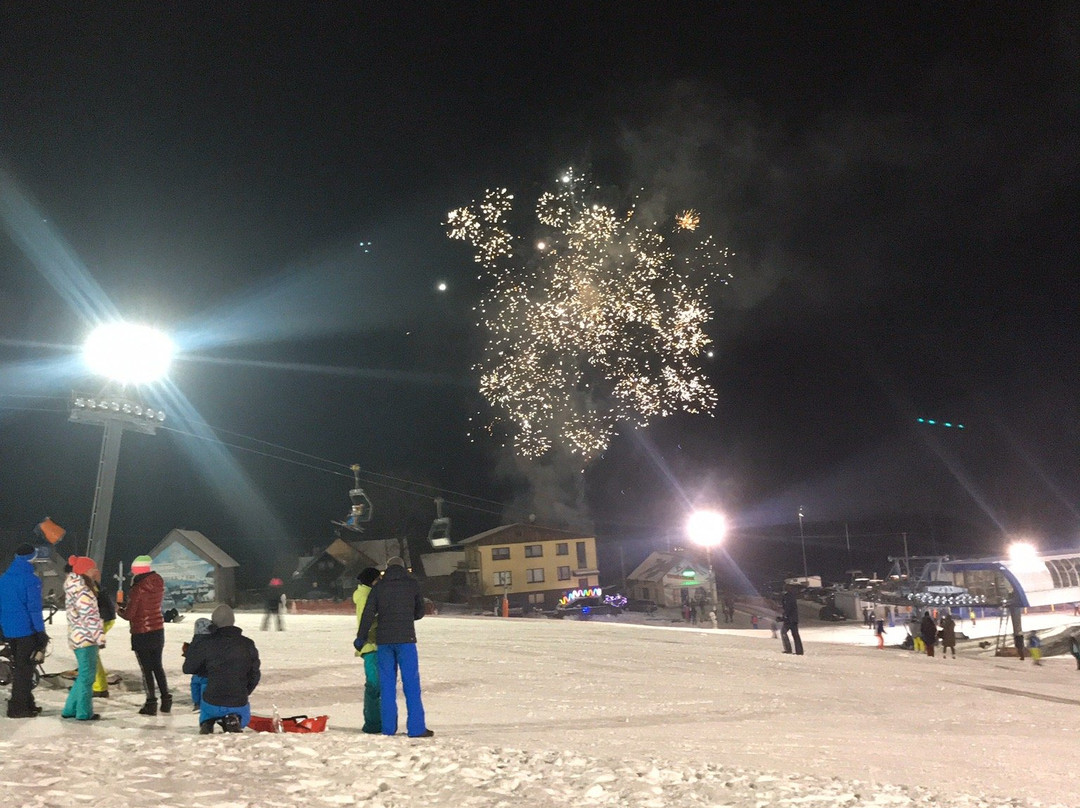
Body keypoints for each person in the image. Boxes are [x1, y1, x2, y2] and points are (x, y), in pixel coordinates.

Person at [355, 557, 433, 737]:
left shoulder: (379, 587)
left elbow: (368, 613)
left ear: (387, 568)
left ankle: (389, 728)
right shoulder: (412, 585)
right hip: (406, 640)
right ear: (404, 568)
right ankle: (416, 728)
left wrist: (361, 637)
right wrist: (406, 617)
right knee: (411, 684)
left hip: (383, 642)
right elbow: (420, 612)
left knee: (387, 685)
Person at [183, 604, 261, 733]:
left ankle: (207, 721)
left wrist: (198, 640)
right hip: (238, 702)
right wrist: (243, 692)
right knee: (241, 711)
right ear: (233, 621)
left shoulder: (207, 644)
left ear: (213, 623)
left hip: (211, 702)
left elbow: (188, 668)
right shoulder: (248, 644)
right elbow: (255, 675)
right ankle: (233, 719)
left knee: (206, 689)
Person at [118, 555, 171, 715]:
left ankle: (151, 703)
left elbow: (130, 615)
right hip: (157, 629)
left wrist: (120, 609)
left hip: (142, 632)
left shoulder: (138, 588)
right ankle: (166, 699)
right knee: (158, 667)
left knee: (147, 670)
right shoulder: (158, 583)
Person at [0, 543, 47, 717]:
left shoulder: (4, 578)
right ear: (30, 558)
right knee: (24, 670)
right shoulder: (31, 580)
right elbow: (34, 609)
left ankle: (27, 704)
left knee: (21, 668)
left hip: (9, 631)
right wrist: (40, 632)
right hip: (26, 631)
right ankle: (18, 708)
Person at [61, 556, 104, 721]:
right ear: (85, 570)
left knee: (83, 675)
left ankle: (70, 708)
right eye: (92, 568)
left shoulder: (75, 587)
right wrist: (99, 637)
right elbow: (90, 617)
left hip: (78, 636)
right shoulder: (83, 591)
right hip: (86, 638)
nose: (95, 570)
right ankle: (84, 712)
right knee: (87, 676)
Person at [353, 566, 382, 734]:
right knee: (374, 685)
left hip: (371, 645)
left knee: (376, 685)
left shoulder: (365, 594)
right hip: (370, 645)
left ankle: (376, 721)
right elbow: (367, 620)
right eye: (378, 579)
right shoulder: (366, 596)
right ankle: (372, 723)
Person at [89, 565, 115, 698]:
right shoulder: (94, 585)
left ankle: (100, 687)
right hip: (105, 618)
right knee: (92, 652)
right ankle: (98, 681)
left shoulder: (89, 587)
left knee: (92, 653)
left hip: (101, 620)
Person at [182, 618, 213, 711]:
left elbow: (191, 656)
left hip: (196, 673)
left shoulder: (195, 642)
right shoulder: (212, 642)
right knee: (204, 687)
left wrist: (187, 652)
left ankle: (197, 704)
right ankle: (203, 704)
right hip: (207, 673)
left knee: (195, 686)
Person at [780, 586, 803, 655]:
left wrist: (784, 616)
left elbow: (788, 608)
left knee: (783, 632)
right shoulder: (792, 597)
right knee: (795, 635)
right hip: (794, 619)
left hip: (789, 619)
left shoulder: (787, 597)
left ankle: (788, 649)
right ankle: (799, 651)